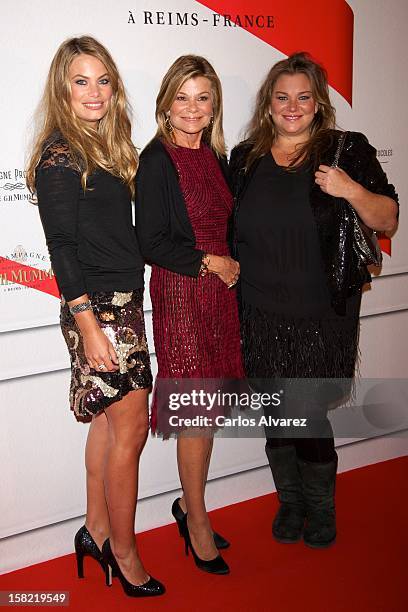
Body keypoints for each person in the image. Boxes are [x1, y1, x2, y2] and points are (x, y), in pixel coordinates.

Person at [230, 52, 398, 548]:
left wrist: (348, 189)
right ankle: (291, 502)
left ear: (318, 102)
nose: (292, 106)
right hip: (258, 312)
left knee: (306, 412)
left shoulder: (346, 151)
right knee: (275, 414)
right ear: (268, 104)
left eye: (303, 97)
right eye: (282, 97)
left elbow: (387, 219)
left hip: (320, 315)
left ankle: (320, 510)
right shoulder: (245, 158)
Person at [26, 36, 164, 597]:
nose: (94, 91)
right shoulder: (61, 154)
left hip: (122, 303)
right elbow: (61, 247)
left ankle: (96, 529)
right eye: (81, 80)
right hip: (99, 311)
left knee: (109, 425)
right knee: (129, 432)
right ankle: (124, 552)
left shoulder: (106, 147)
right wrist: (89, 327)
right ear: (63, 87)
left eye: (103, 79)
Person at [135, 55, 244, 574]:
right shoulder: (157, 158)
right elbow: (151, 241)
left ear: (214, 104)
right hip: (182, 293)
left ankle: (189, 505)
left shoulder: (217, 157)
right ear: (166, 103)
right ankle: (196, 519)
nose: (192, 108)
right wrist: (212, 262)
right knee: (196, 412)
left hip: (219, 296)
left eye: (202, 97)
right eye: (182, 97)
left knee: (210, 408)